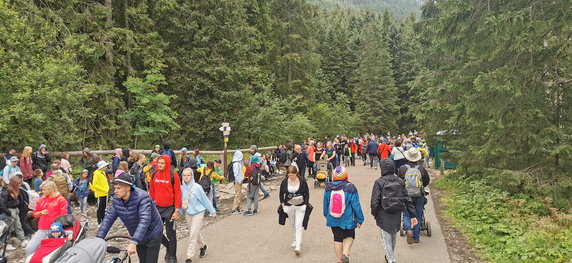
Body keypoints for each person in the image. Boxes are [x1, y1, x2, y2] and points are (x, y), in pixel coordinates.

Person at [97, 172, 163, 263]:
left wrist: (134, 241)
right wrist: (99, 239)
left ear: (128, 188)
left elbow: (145, 220)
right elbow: (108, 218)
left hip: (153, 233)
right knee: (142, 260)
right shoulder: (116, 199)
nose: (115, 191)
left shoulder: (142, 198)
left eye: (118, 188)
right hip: (137, 234)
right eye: (115, 188)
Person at [371, 159, 418, 263]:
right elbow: (407, 199)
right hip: (396, 213)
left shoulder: (379, 182)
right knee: (393, 236)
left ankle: (391, 260)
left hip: (383, 213)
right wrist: (413, 215)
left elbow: (375, 201)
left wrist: (374, 213)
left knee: (386, 239)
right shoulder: (400, 181)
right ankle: (389, 257)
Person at [323, 166, 364, 263]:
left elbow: (326, 202)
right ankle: (345, 254)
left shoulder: (328, 187)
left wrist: (326, 215)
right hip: (348, 218)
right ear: (346, 175)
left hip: (333, 217)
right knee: (350, 235)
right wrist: (360, 219)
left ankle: (339, 260)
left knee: (337, 237)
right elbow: (356, 205)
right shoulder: (350, 187)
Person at [149, 155, 181, 263]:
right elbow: (152, 193)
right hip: (157, 208)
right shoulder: (154, 174)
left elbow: (178, 194)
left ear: (167, 163)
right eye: (159, 163)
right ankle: (168, 247)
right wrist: (150, 207)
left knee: (171, 233)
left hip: (170, 208)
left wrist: (177, 210)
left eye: (162, 163)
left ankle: (172, 256)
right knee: (156, 232)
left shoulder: (174, 175)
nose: (160, 165)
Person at [179, 168, 217, 263]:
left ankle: (189, 257)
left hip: (199, 213)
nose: (186, 177)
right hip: (188, 213)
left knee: (192, 235)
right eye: (184, 175)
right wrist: (179, 212)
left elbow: (205, 200)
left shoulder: (197, 187)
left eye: (188, 175)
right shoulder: (181, 188)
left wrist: (213, 212)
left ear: (192, 176)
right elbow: (182, 203)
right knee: (195, 232)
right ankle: (203, 246)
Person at [25, 181, 68, 256]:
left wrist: (59, 231)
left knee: (53, 253)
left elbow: (63, 217)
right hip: (43, 229)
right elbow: (35, 214)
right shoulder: (42, 199)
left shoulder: (60, 199)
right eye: (42, 189)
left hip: (55, 230)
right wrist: (41, 212)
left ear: (51, 189)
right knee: (29, 249)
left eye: (44, 190)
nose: (42, 191)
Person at [398, 148, 430, 244]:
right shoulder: (421, 169)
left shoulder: (403, 168)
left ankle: (409, 230)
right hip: (418, 194)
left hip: (406, 194)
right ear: (417, 158)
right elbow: (426, 181)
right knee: (418, 214)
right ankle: (416, 237)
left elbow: (399, 181)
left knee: (407, 213)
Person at [279, 165, 309, 255]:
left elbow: (307, 193)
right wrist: (282, 203)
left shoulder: (302, 181)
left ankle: (298, 246)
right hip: (289, 205)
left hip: (300, 205)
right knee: (293, 224)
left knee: (298, 224)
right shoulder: (284, 181)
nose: (291, 177)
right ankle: (295, 240)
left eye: (292, 175)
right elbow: (281, 193)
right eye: (289, 175)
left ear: (296, 173)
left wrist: (305, 204)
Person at [0, 176, 29, 249]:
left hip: (15, 209)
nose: (20, 186)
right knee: (7, 228)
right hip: (9, 211)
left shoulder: (15, 190)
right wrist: (7, 211)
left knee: (18, 225)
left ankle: (22, 240)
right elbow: (2, 204)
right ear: (14, 184)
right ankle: (6, 244)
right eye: (18, 184)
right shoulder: (5, 192)